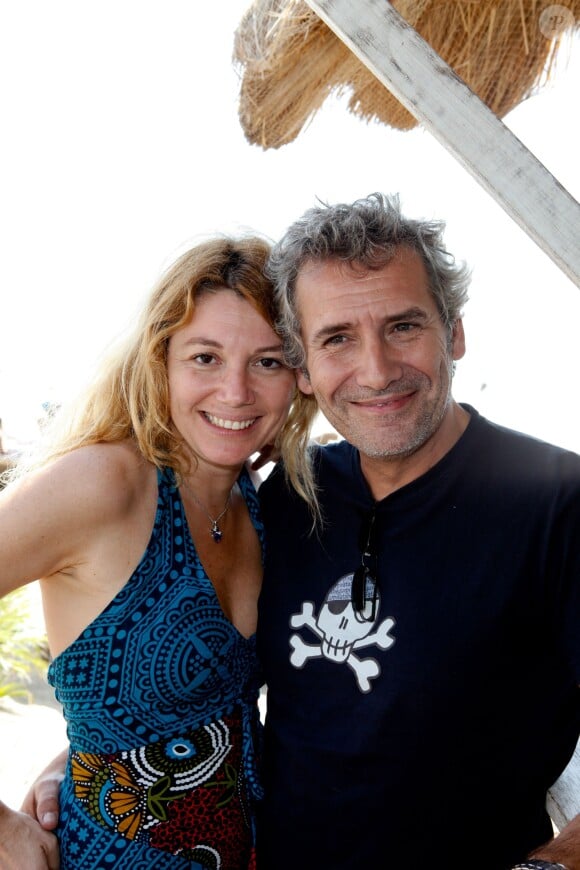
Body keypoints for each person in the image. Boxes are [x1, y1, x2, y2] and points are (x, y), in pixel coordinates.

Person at [255, 193, 580, 869]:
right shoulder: (290, 494)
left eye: (404, 326)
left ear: (453, 332)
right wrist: (68, 766)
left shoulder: (558, 502)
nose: (376, 371)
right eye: (338, 338)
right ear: (304, 369)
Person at [0, 234, 317, 869]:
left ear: (300, 377)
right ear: (160, 360)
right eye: (205, 357)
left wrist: (78, 749)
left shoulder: (259, 501)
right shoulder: (105, 483)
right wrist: (4, 831)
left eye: (268, 361)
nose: (235, 392)